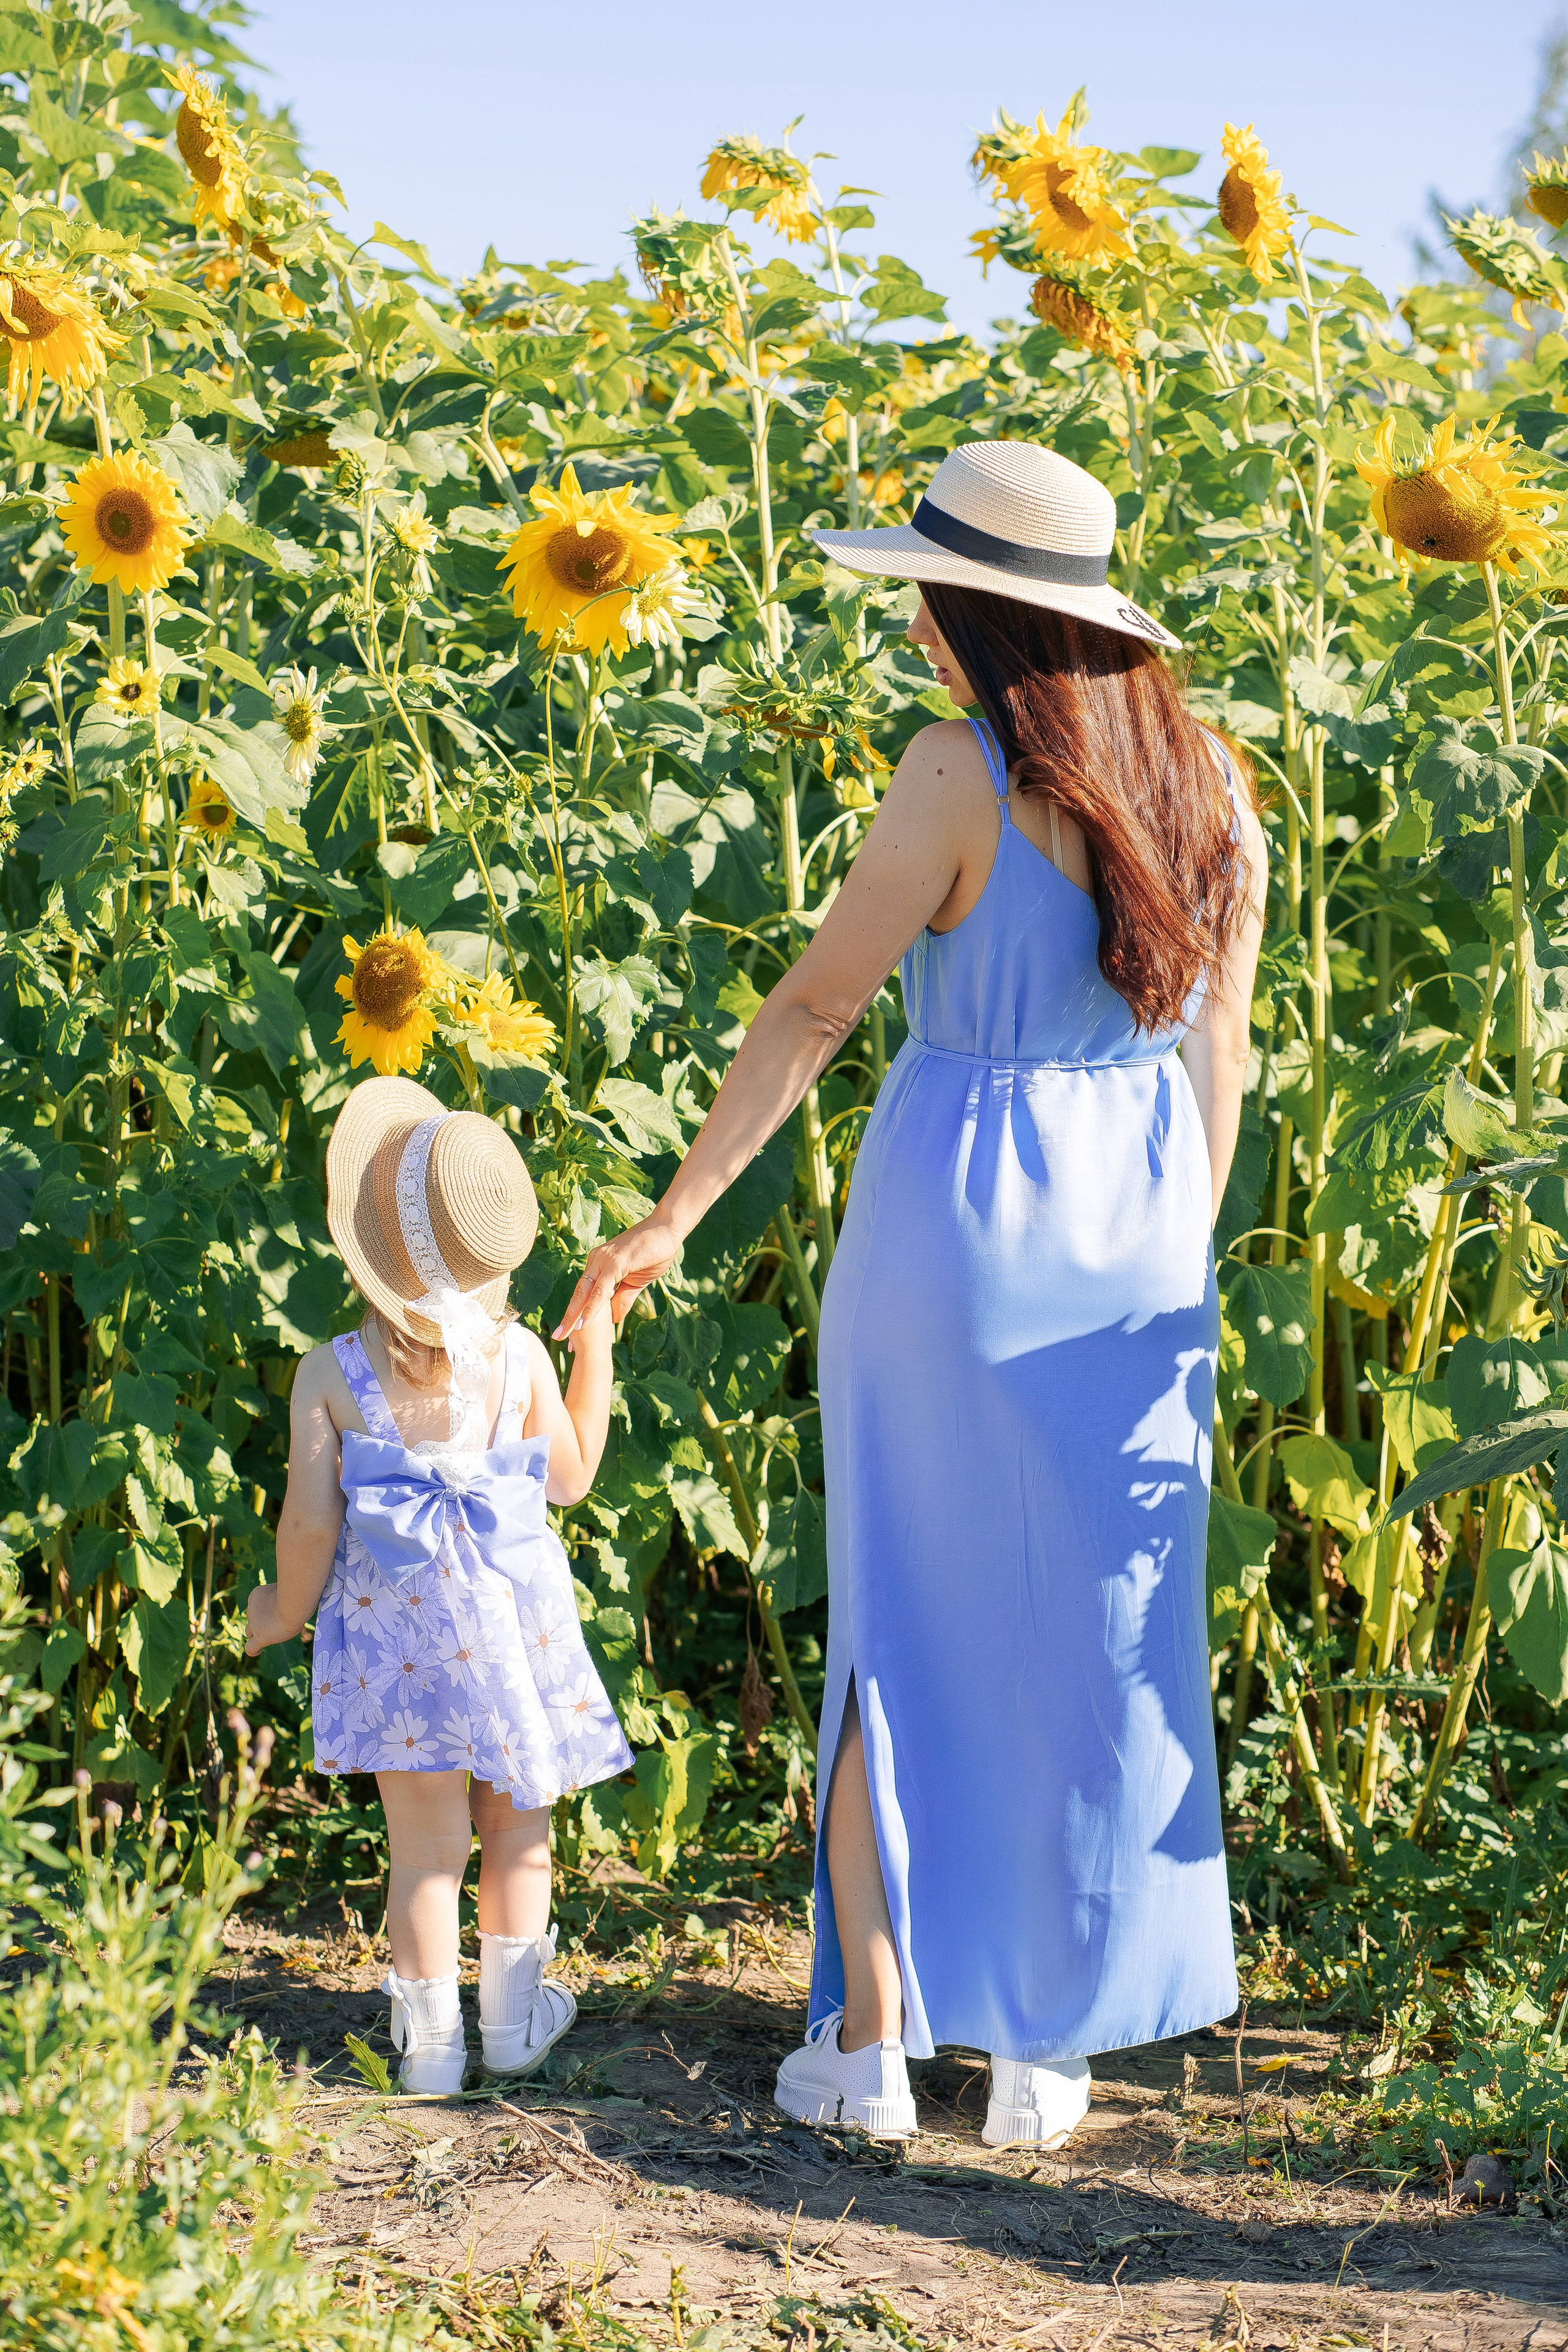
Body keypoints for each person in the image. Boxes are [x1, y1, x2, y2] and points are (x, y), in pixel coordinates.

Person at [557, 437, 1268, 2148]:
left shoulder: (959, 773)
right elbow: (1223, 1048)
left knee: (906, 1611)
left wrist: (677, 1212)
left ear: (973, 620)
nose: (914, 642)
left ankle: (873, 2047)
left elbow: (813, 1010)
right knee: (1092, 1631)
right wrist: (1177, 1248)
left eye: (926, 611)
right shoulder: (1218, 787)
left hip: (957, 1218)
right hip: (1139, 1237)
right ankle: (1048, 2046)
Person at [246, 1075, 630, 2093]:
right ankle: (511, 2024)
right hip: (508, 1626)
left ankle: (428, 2052)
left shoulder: (330, 1373)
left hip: (397, 1640)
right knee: (517, 1830)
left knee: (423, 1852)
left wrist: (282, 1611)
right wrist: (593, 1348)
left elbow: (311, 1521)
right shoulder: (518, 1362)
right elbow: (574, 1475)